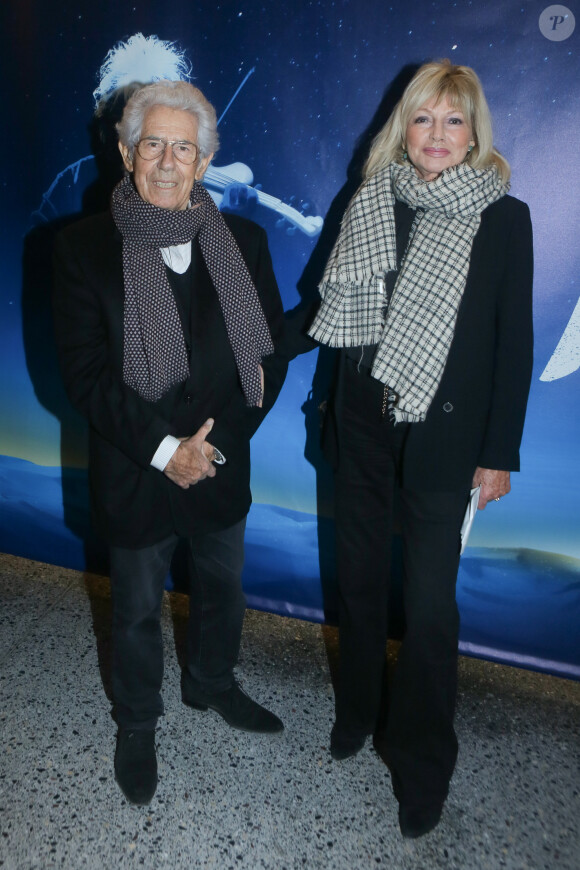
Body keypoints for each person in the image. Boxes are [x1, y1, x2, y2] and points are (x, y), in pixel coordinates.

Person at [307, 60, 533, 838]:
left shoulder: (504, 218)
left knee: (431, 611)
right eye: (423, 120)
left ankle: (422, 762)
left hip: (445, 435)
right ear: (402, 128)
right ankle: (358, 714)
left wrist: (498, 451)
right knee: (361, 583)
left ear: (474, 133)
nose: (436, 136)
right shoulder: (369, 199)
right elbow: (334, 311)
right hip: (363, 425)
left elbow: (512, 343)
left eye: (453, 121)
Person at [53, 80, 288, 806]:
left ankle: (212, 683)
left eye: (182, 147)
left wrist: (213, 448)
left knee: (222, 589)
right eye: (151, 142)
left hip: (221, 459)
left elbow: (266, 359)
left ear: (204, 160)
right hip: (135, 468)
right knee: (135, 611)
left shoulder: (243, 242)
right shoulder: (80, 248)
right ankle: (137, 722)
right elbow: (86, 376)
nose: (165, 159)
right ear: (125, 153)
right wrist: (166, 451)